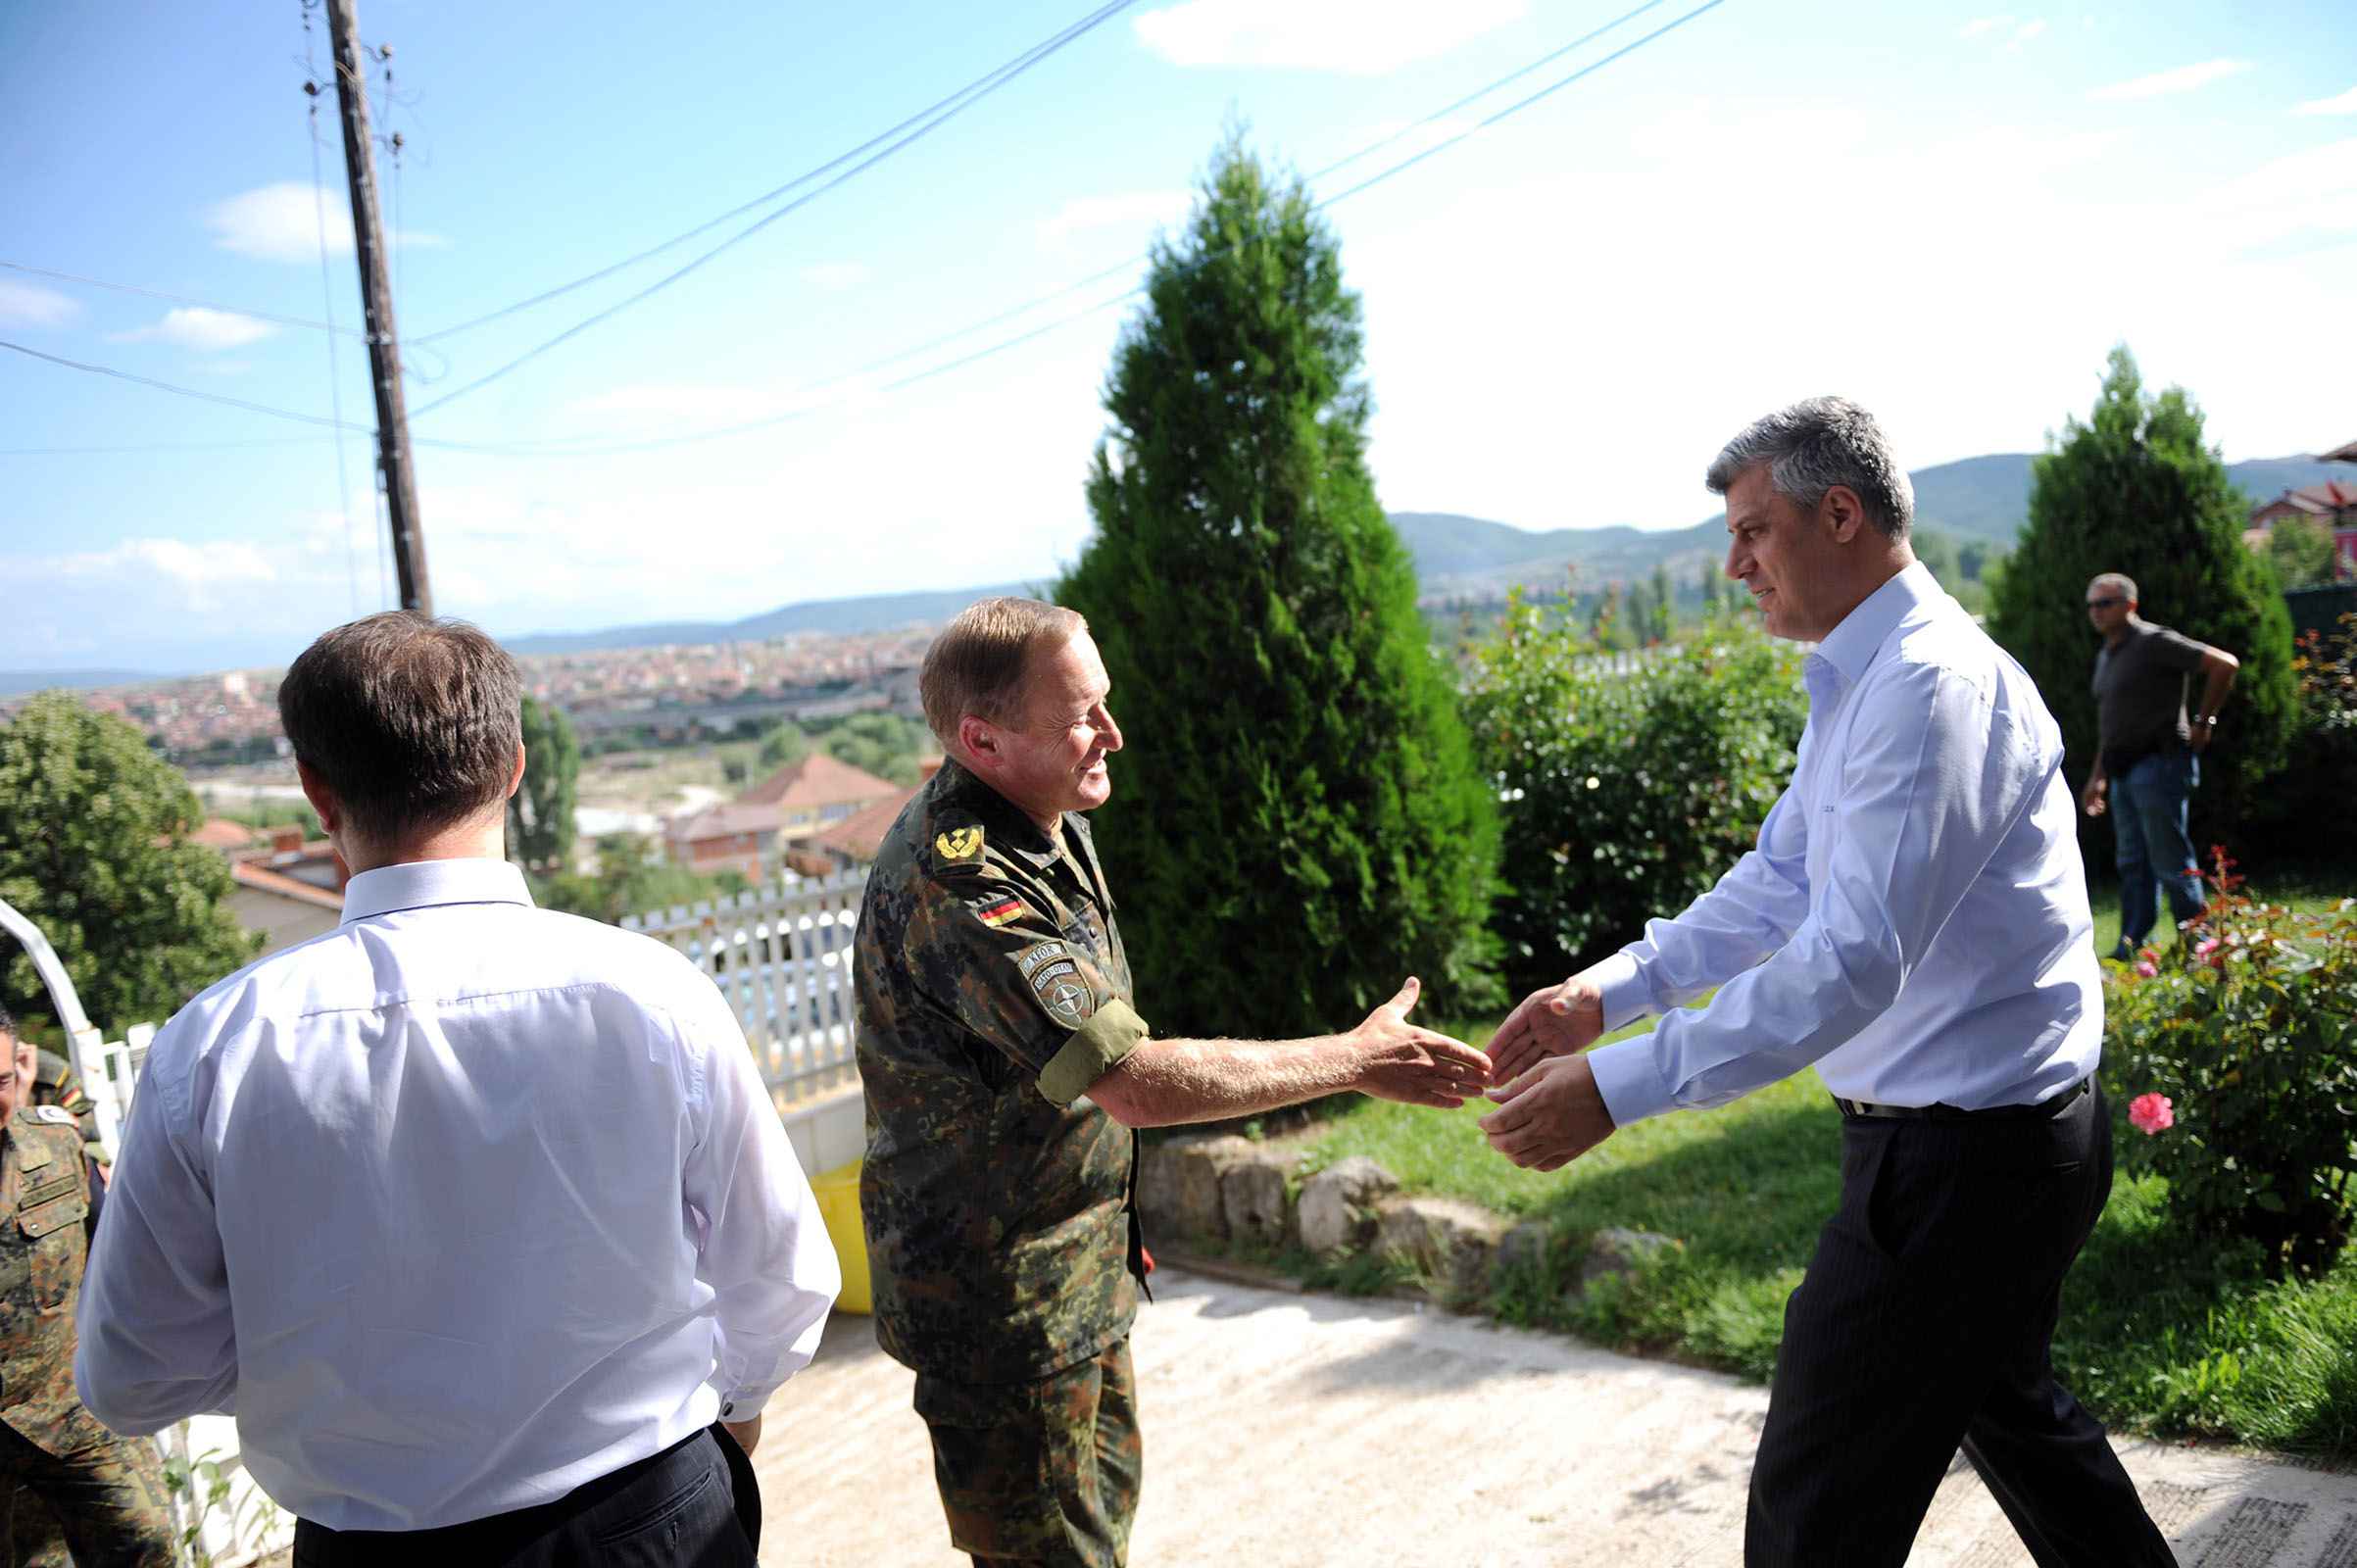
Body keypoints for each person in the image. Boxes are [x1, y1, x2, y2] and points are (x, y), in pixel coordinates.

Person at [1478, 399, 2177, 1567]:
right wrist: (1606, 996)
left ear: (1837, 514)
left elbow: (1847, 961)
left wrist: (1617, 1085)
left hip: (1959, 1168)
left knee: (1812, 1517)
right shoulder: (1867, 681)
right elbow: (1781, 881)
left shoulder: (1925, 688)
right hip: (1984, 1147)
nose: (1733, 564)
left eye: (1753, 530)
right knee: (2028, 1437)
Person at [76, 612, 840, 1566]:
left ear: (317, 790)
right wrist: (731, 1412)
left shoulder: (211, 1051)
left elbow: (132, 1377)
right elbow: (783, 1277)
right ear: (515, 765)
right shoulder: (651, 993)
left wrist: (325, 1364)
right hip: (654, 1521)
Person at [856, 596, 1490, 1568]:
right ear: (980, 738)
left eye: (1101, 701)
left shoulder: (1043, 808)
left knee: (1094, 1538)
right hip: (1000, 1314)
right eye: (1079, 717)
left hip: (1072, 1273)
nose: (1111, 731)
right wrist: (1354, 1059)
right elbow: (1130, 1081)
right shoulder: (967, 883)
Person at [0, 1001, 176, 1568]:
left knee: (145, 1541)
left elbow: (116, 1256)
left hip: (74, 1405)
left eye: (1, 1081)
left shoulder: (55, 1145)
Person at [2078, 573, 2238, 960]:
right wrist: (2098, 777)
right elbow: (2111, 725)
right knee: (2132, 863)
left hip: (2160, 763)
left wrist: (2204, 722)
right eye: (2092, 605)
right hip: (2122, 770)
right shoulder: (2107, 655)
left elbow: (2224, 665)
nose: (2096, 612)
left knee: (2169, 860)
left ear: (2130, 605)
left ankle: (2202, 945)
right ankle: (2132, 944)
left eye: (2105, 603)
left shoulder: (2155, 642)